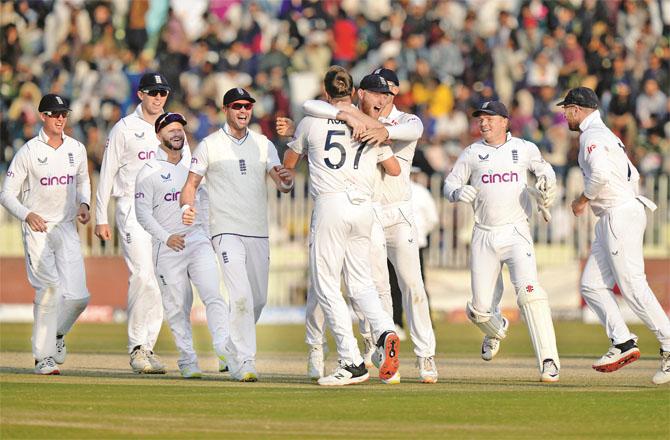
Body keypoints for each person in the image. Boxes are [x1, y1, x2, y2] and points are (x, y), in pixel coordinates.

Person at [298, 68, 438, 384]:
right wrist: (350, 117)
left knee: (412, 284)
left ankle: (425, 355)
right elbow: (314, 108)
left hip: (398, 212)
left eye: (388, 94)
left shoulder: (406, 121)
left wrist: (381, 131)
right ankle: (378, 347)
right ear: (361, 93)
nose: (382, 99)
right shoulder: (350, 118)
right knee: (373, 286)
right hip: (368, 210)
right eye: (376, 92)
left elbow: (409, 134)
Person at [283, 68, 402, 386]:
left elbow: (290, 162)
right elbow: (392, 167)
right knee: (361, 284)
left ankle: (351, 360)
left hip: (332, 203)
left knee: (325, 285)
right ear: (354, 92)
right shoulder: (369, 123)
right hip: (363, 207)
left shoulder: (312, 120)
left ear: (325, 93)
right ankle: (385, 331)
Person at [180, 87, 293, 382]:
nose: (243, 111)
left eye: (247, 106)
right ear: (226, 109)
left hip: (257, 230)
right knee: (240, 296)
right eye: (237, 106)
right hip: (225, 230)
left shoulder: (263, 144)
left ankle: (230, 345)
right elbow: (191, 184)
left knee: (257, 300)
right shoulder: (209, 145)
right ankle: (244, 362)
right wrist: (186, 209)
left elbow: (280, 179)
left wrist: (286, 181)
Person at [558, 87, 670, 385]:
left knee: (632, 286)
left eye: (566, 109)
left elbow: (601, 176)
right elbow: (633, 173)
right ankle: (622, 342)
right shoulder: (607, 136)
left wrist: (582, 200)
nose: (564, 115)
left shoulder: (592, 137)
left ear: (577, 109)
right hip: (614, 214)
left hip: (619, 215)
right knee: (592, 284)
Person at [444, 100, 561, 383]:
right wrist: (458, 193)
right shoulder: (472, 153)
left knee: (531, 294)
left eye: (490, 118)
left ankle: (548, 361)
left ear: (505, 121)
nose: (483, 123)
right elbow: (449, 183)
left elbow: (546, 170)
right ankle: (496, 330)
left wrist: (546, 181)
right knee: (479, 311)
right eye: (480, 119)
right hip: (484, 233)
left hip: (516, 231)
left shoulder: (524, 148)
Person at [134, 112, 233, 379]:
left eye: (180, 129)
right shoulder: (149, 171)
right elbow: (142, 213)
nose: (176, 133)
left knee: (214, 294)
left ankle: (224, 349)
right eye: (170, 130)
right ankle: (188, 359)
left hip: (197, 241)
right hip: (168, 248)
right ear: (159, 135)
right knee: (178, 307)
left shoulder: (194, 166)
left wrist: (212, 238)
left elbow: (206, 204)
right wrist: (166, 237)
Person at [0, 94, 90, 375]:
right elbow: (6, 194)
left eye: (63, 114)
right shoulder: (28, 151)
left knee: (78, 297)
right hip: (38, 228)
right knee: (49, 290)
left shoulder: (76, 148)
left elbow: (83, 180)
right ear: (42, 117)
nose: (60, 119)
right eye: (54, 114)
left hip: (66, 227)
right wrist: (28, 214)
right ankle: (43, 357)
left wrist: (84, 204)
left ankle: (56, 335)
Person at [95, 72, 176, 374]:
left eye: (163, 93)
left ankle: (148, 346)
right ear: (140, 94)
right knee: (142, 275)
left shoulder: (172, 126)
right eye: (153, 92)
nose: (158, 98)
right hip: (130, 205)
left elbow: (182, 170)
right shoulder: (124, 128)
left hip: (163, 210)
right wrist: (101, 216)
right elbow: (107, 173)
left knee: (159, 279)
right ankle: (135, 347)